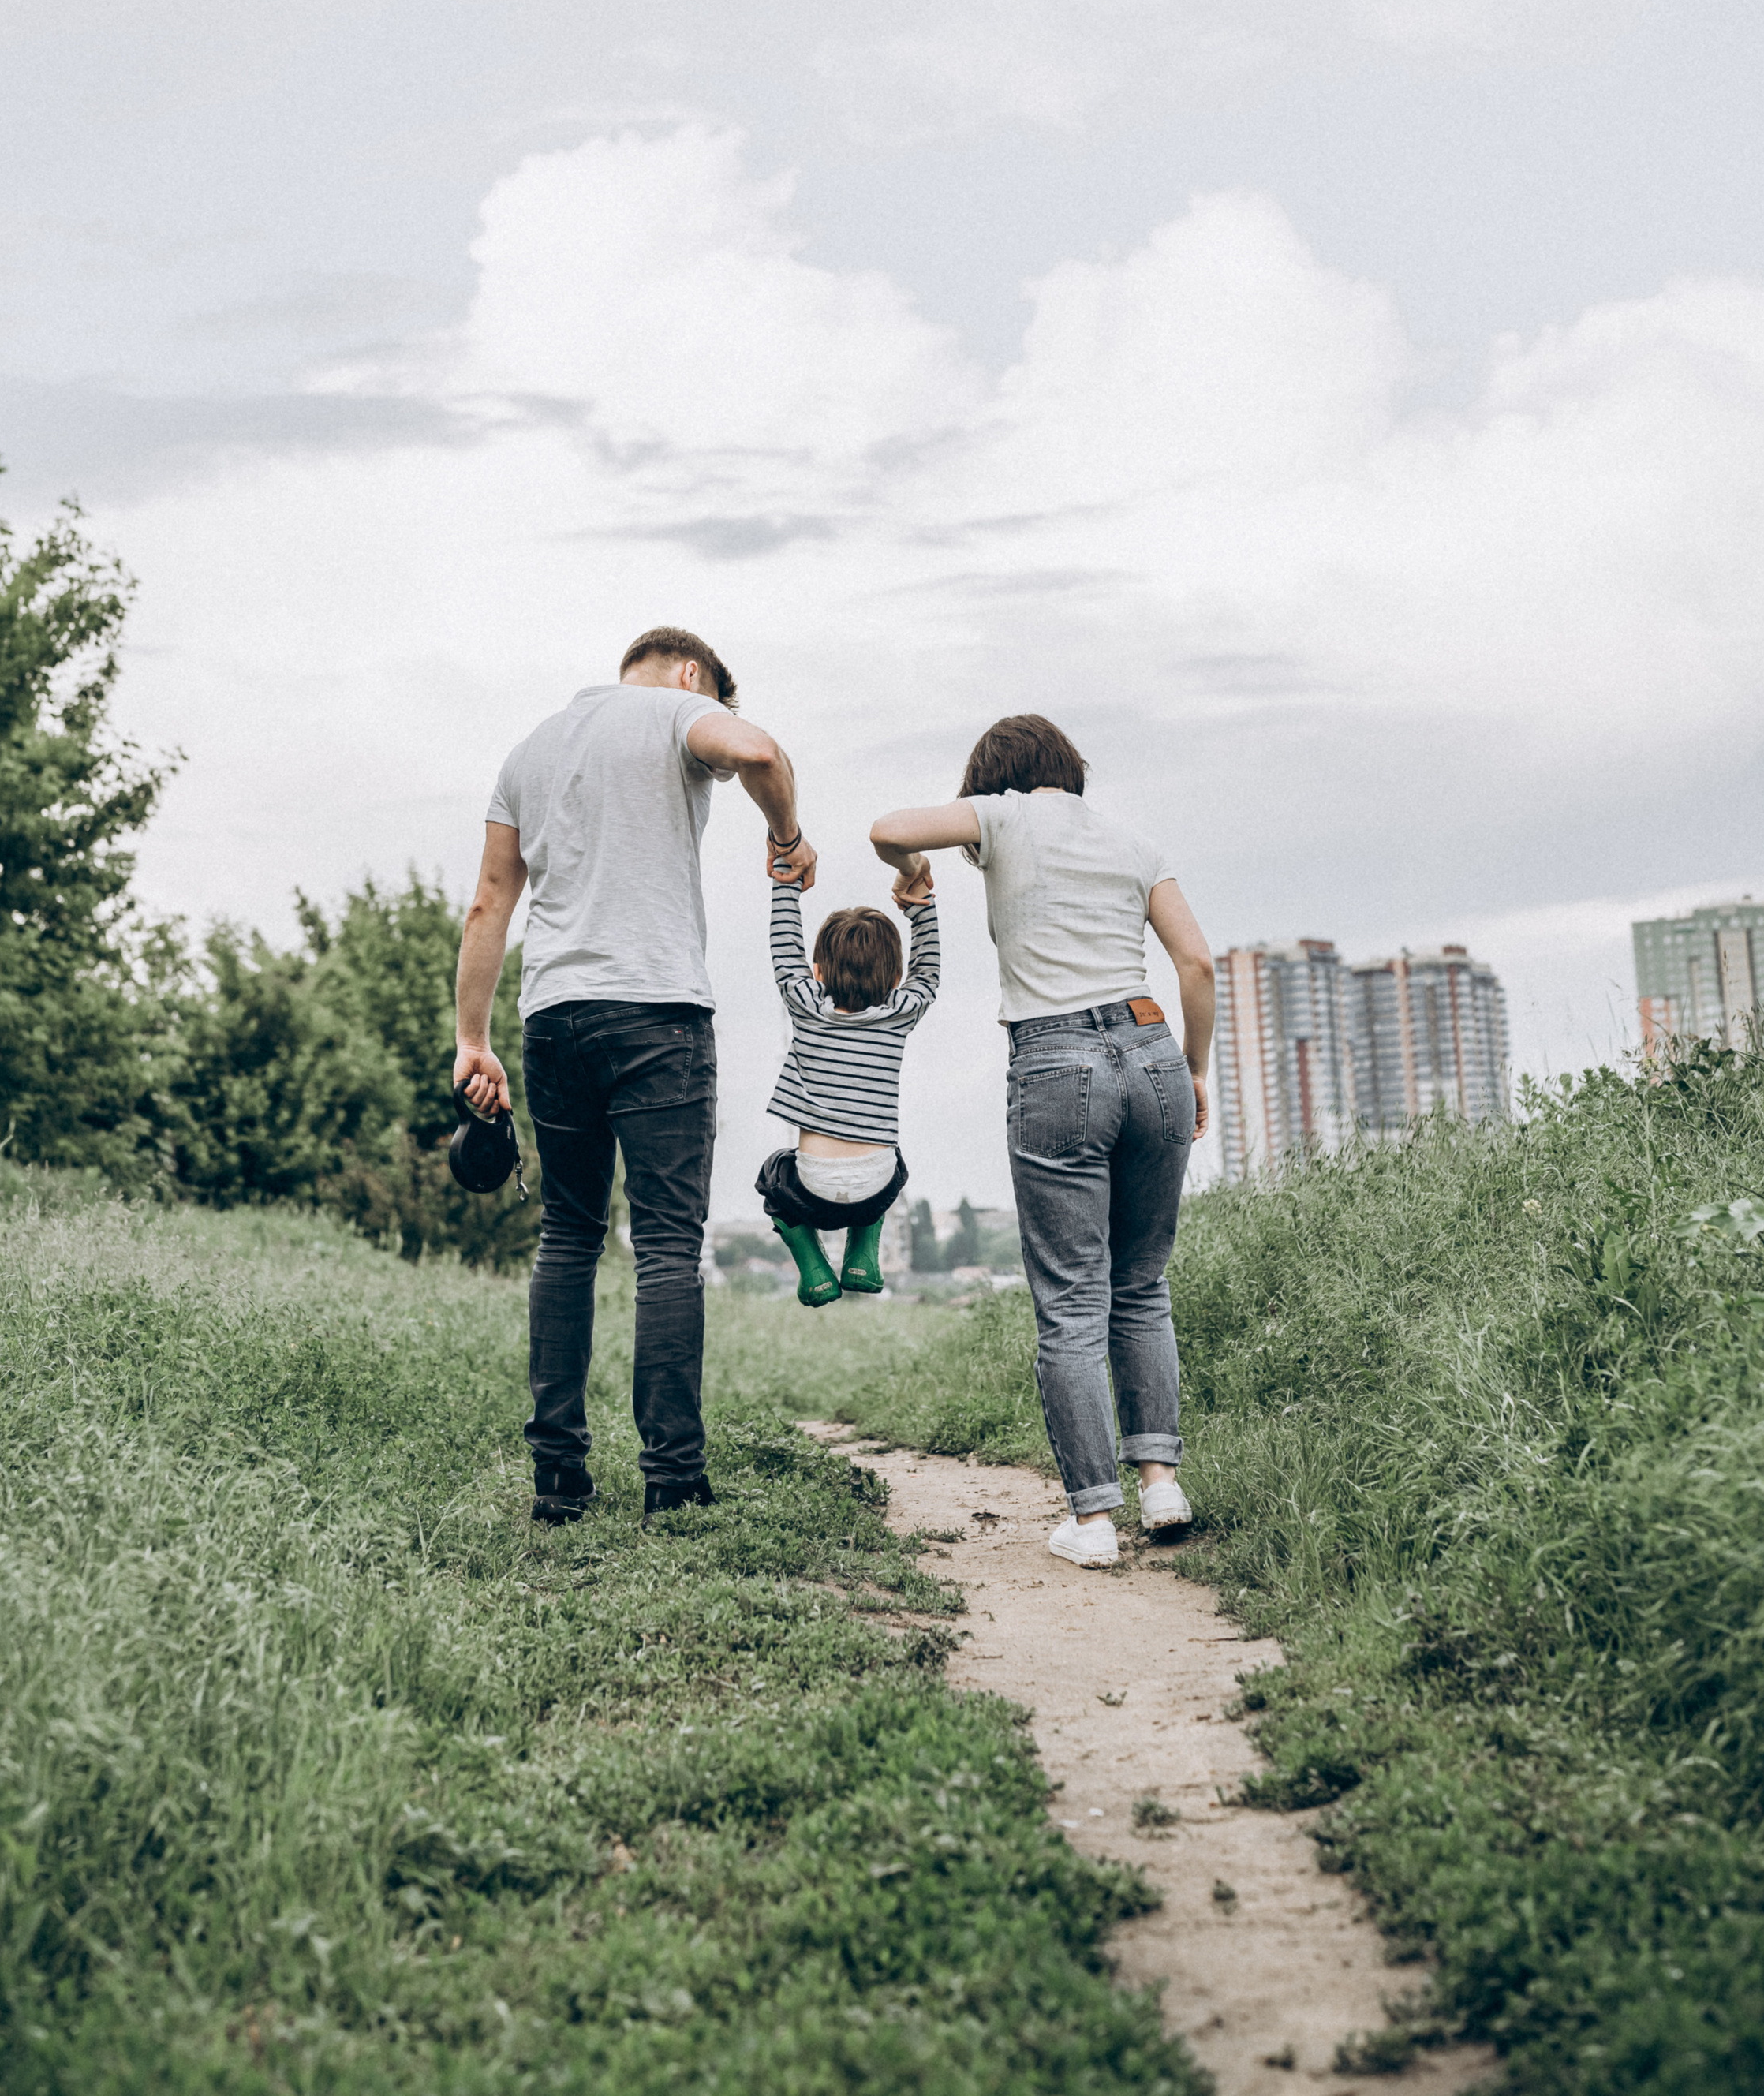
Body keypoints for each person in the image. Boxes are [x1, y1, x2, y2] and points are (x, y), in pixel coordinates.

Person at [454, 626, 815, 1525]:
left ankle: (558, 1477)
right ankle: (672, 1479)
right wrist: (788, 836)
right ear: (691, 675)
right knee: (665, 1243)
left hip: (554, 1017)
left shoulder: (529, 751)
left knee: (568, 1238)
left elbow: (490, 901)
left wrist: (472, 1039)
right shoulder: (678, 713)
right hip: (657, 1013)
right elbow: (759, 751)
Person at [869, 712, 1216, 1571]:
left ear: (995, 779)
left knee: (1071, 1301)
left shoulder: (1004, 813)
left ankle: (1093, 1522)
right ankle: (1161, 1486)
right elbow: (1197, 964)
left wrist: (913, 870)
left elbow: (887, 829)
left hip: (1057, 1061)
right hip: (1153, 1051)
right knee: (1142, 1285)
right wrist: (1194, 1069)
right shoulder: (1133, 842)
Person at [753, 843, 940, 1307]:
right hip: (876, 1188)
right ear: (896, 979)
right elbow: (928, 974)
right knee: (894, 1162)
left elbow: (785, 950)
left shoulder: (806, 1007)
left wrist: (786, 882)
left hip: (809, 1190)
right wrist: (922, 909)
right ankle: (862, 1256)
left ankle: (814, 1270)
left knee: (773, 1173)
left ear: (816, 972)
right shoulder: (899, 1014)